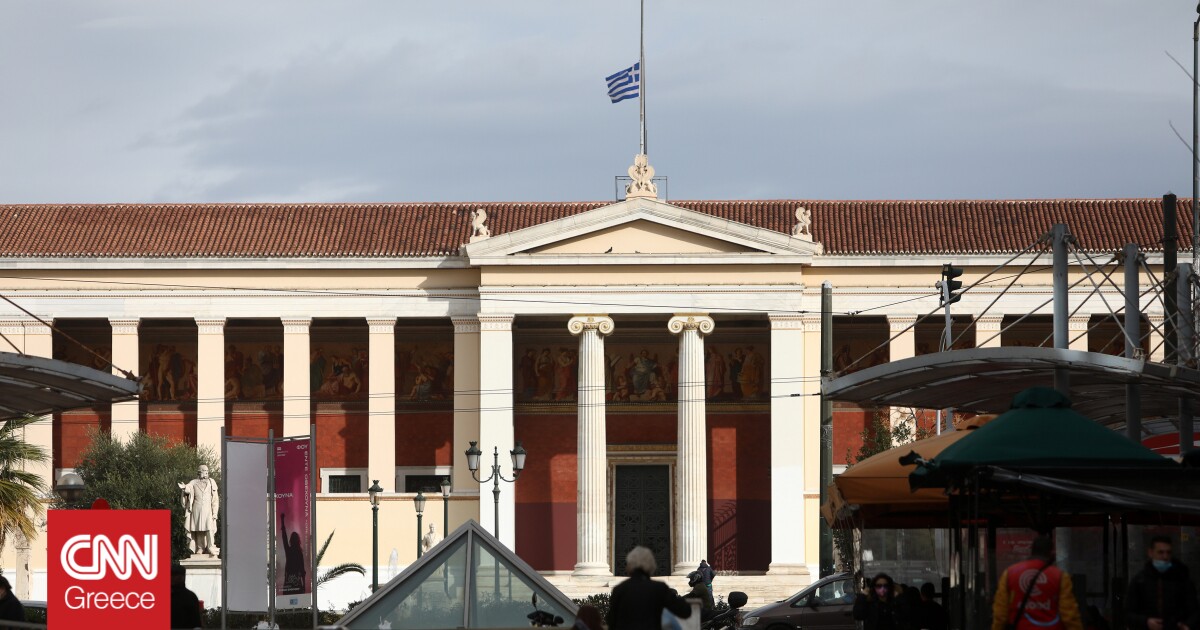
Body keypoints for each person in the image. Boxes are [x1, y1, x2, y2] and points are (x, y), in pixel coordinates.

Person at [992, 534, 1082, 630]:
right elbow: (1069, 615)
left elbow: (1000, 614)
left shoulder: (1010, 573)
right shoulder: (1060, 576)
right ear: (1051, 553)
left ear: (1032, 551)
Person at [607, 546, 692, 630]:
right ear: (652, 566)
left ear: (629, 566)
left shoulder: (619, 589)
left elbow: (611, 621)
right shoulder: (659, 588)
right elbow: (685, 611)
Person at [1125, 535, 1199, 630]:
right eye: (1160, 552)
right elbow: (1128, 614)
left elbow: (1194, 610)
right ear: (1150, 553)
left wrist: (1187, 625)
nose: (1165, 557)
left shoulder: (1182, 580)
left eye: (1168, 552)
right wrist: (1146, 622)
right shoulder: (1139, 581)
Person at [178, 464, 220, 557]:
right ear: (199, 472)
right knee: (198, 528)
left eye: (207, 471)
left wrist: (215, 513)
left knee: (209, 528)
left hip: (208, 509)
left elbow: (215, 500)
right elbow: (188, 489)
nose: (206, 473)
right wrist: (184, 488)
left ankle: (211, 546)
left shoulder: (211, 482)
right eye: (204, 471)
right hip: (196, 508)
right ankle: (200, 548)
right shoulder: (193, 482)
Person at [170, 564, 203, 629]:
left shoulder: (190, 597)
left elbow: (196, 622)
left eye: (174, 575)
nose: (172, 578)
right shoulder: (190, 596)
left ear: (182, 577)